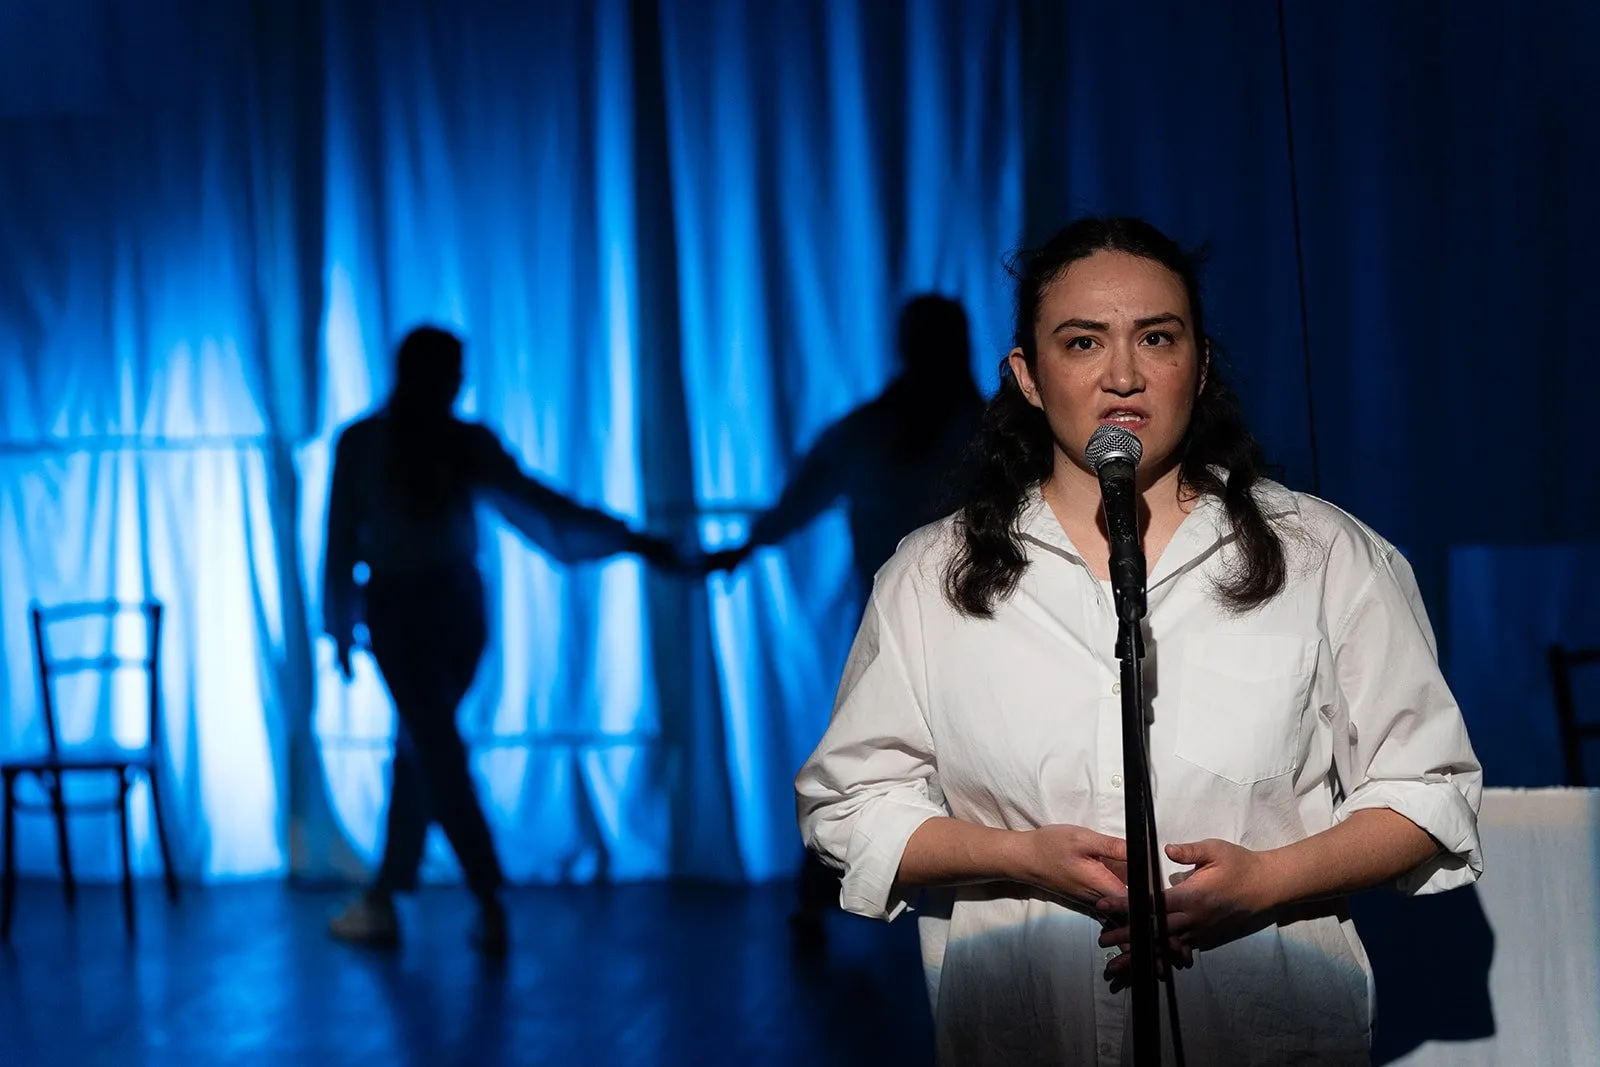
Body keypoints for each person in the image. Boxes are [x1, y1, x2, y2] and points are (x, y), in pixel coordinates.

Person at [794, 218, 1482, 1064]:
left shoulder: (1325, 553)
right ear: (1029, 376)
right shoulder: (933, 574)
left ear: (1198, 360)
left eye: (1157, 337)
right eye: (1082, 342)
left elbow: (1427, 790)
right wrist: (1021, 857)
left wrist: (1269, 879)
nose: (1123, 375)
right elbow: (849, 805)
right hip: (1024, 1027)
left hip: (1260, 1025)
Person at [321, 325, 680, 956]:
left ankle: (478, 896)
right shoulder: (439, 443)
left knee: (429, 746)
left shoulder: (377, 442)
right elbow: (542, 508)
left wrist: (341, 625)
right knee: (424, 745)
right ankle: (392, 893)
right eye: (454, 370)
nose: (460, 382)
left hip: (414, 609)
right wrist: (633, 540)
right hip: (446, 608)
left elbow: (343, 540)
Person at [727, 295, 985, 941]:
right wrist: (742, 546)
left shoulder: (975, 430)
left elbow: (799, 500)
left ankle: (823, 897)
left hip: (971, 624)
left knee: (869, 760)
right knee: (863, 761)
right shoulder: (922, 429)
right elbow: (801, 499)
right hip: (907, 626)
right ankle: (821, 893)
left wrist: (740, 548)